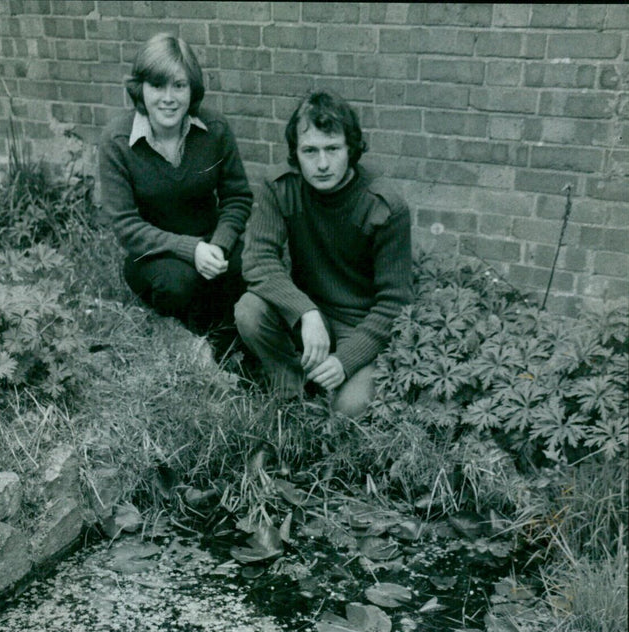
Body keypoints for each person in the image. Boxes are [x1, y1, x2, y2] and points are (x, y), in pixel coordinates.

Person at [235, 91, 413, 418]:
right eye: (309, 151)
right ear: (295, 154)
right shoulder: (280, 186)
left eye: (332, 149)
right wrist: (305, 311)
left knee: (349, 409)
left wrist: (346, 360)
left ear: (351, 149)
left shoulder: (384, 205)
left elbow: (395, 301)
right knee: (250, 310)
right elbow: (258, 260)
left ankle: (330, 382)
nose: (321, 164)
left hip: (359, 326)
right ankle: (290, 392)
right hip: (310, 314)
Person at [99, 33, 253, 335]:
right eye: (157, 85)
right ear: (140, 88)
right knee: (178, 285)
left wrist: (219, 246)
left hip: (211, 242)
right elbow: (126, 225)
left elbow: (237, 198)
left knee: (250, 268)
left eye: (179, 86)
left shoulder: (215, 129)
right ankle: (181, 337)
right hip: (154, 253)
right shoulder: (117, 141)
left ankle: (228, 340)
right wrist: (189, 249)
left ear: (191, 89)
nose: (168, 98)